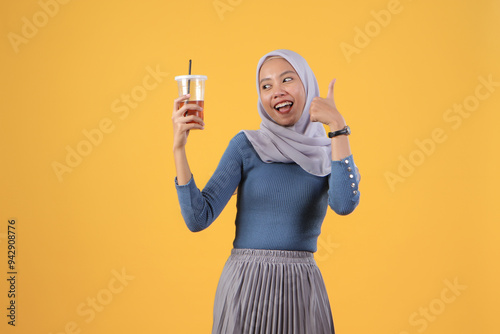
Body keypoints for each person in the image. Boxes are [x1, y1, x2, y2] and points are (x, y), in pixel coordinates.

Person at [172, 49, 360, 334]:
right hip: (244, 287)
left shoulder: (328, 151)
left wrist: (338, 127)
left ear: (307, 85)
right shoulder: (246, 145)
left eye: (287, 80)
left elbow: (345, 204)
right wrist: (179, 148)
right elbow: (198, 218)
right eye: (266, 85)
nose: (277, 91)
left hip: (301, 289)